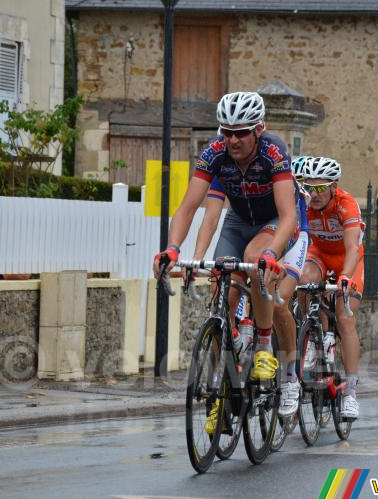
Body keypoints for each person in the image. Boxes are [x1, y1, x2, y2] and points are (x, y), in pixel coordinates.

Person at [152, 91, 298, 432]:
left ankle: (263, 344)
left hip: (272, 222)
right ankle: (221, 384)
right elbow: (189, 207)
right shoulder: (214, 152)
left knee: (253, 260)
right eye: (226, 131)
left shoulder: (273, 151)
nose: (232, 139)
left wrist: (271, 253)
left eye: (241, 132)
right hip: (238, 222)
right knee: (221, 285)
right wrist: (172, 248)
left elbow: (289, 214)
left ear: (258, 129)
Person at [192, 156, 312, 418]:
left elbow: (286, 225)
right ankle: (224, 372)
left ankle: (290, 375)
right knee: (222, 288)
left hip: (285, 231)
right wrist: (197, 258)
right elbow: (211, 216)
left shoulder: (274, 167)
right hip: (245, 230)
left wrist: (273, 261)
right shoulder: (225, 167)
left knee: (278, 298)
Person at [298, 156, 364, 420]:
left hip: (347, 259)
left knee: (346, 317)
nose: (313, 193)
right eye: (307, 186)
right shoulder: (301, 203)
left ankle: (351, 393)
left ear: (333, 186)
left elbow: (352, 248)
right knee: (304, 280)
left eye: (320, 187)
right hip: (319, 255)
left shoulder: (346, 205)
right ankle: (315, 335)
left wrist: (344, 278)